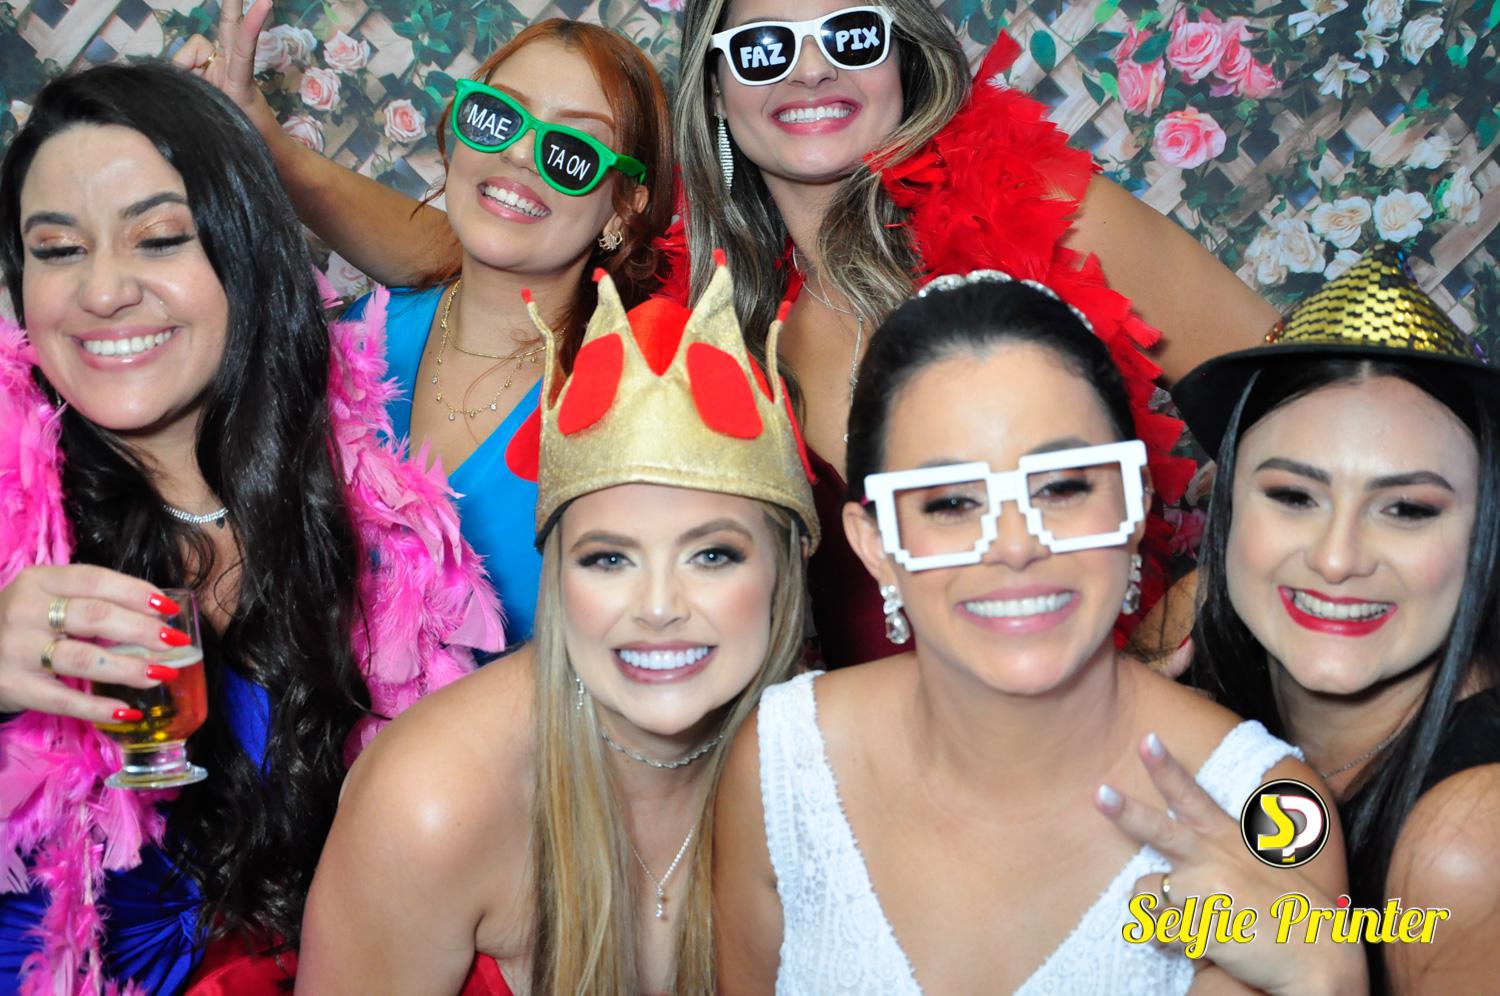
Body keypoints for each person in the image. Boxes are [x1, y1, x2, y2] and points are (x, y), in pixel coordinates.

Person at [188, 1, 1278, 668]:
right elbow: (486, 241)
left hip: (1096, 735)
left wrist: (1185, 616)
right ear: (716, 85)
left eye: (848, 35)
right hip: (877, 783)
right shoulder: (709, 311)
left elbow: (1306, 393)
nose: (808, 72)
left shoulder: (1047, 206)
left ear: (902, 55)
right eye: (762, 49)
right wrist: (275, 158)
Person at [0, 64, 500, 993]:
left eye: (158, 238)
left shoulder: (363, 518)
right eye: (58, 250)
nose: (102, 291)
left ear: (247, 252)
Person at [714, 272, 1354, 994]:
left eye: (1061, 487)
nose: (1015, 546)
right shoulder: (782, 764)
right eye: (951, 503)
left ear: (1135, 501)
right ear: (876, 546)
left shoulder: (1270, 819)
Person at [296, 256, 818, 995]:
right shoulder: (432, 800)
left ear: (782, 572)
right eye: (609, 559)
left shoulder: (842, 784)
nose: (658, 606)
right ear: (557, 579)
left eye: (711, 555)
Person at [177, 7, 675, 646]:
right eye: (497, 118)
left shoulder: (640, 408)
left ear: (623, 208)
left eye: (570, 152)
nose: (519, 155)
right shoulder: (350, 343)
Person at [1171, 244, 1500, 994]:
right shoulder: (1194, 640)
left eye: (1406, 509)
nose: (1336, 558)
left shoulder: (1470, 841)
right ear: (1229, 509)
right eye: (1294, 497)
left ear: (1482, 534)